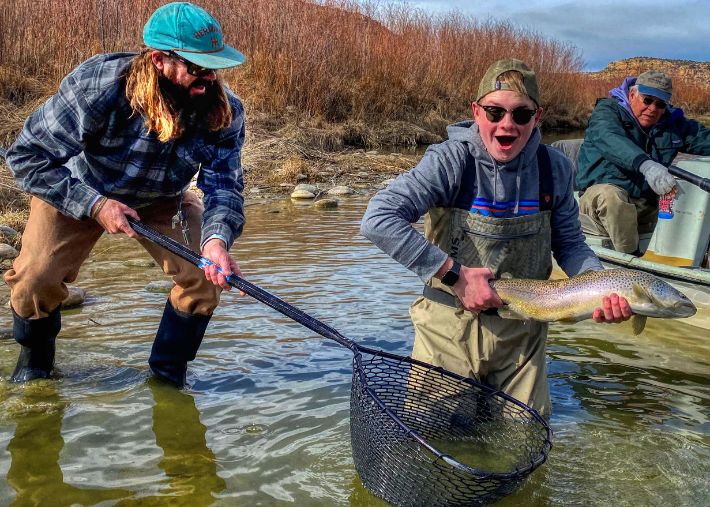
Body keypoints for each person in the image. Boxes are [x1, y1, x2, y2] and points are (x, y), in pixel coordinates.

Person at [360, 58, 631, 417]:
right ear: (476, 112)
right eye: (495, 112)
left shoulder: (557, 169)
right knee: (438, 444)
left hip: (524, 337)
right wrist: (454, 275)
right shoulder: (450, 161)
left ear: (538, 117)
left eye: (521, 115)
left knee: (521, 444)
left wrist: (599, 287)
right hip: (448, 328)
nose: (507, 124)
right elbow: (378, 219)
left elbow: (570, 245)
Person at [4, 2, 247, 387]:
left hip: (164, 198)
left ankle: (168, 377)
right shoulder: (99, 85)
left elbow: (225, 186)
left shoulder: (223, 110)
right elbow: (26, 156)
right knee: (34, 281)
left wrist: (218, 240)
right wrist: (95, 205)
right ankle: (36, 366)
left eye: (214, 66)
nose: (208, 77)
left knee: (203, 280)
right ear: (158, 61)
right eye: (196, 66)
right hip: (80, 190)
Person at [575, 70, 710, 254]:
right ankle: (631, 267)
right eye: (647, 100)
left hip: (645, 205)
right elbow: (610, 138)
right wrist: (646, 165)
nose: (653, 108)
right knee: (611, 196)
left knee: (689, 197)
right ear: (632, 95)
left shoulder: (672, 124)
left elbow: (703, 139)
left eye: (660, 104)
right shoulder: (607, 112)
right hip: (598, 205)